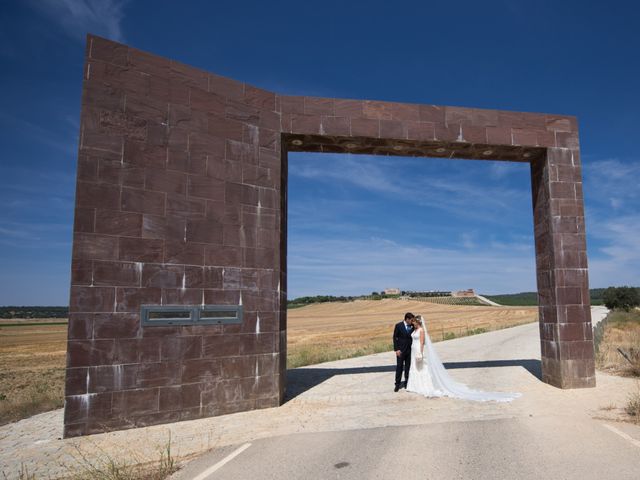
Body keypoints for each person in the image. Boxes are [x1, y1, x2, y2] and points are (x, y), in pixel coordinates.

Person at [405, 314, 521, 402]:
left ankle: (424, 386)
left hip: (418, 350)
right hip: (413, 350)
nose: (413, 324)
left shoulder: (421, 330)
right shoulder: (414, 330)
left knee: (422, 368)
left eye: (414, 322)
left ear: (418, 322)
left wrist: (420, 353)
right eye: (413, 322)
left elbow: (421, 342)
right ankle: (414, 385)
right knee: (415, 368)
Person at [393, 312, 415, 392]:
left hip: (409, 351)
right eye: (411, 320)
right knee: (399, 367)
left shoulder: (412, 326)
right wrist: (397, 349)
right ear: (407, 319)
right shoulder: (398, 326)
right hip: (400, 351)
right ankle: (397, 384)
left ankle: (407, 383)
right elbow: (395, 337)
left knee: (408, 367)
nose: (412, 321)